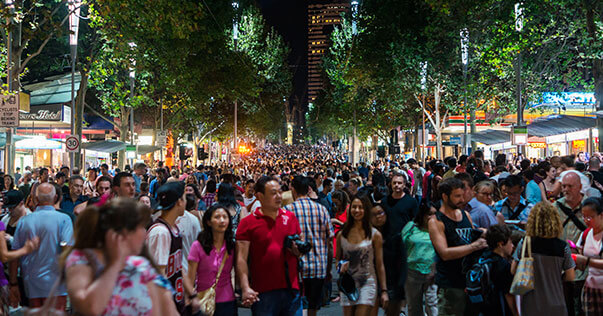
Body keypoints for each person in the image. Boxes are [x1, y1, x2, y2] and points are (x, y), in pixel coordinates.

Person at [62, 198, 178, 315]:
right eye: (138, 227)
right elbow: (90, 307)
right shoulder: (82, 259)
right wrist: (116, 262)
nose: (144, 232)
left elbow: (168, 308)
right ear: (119, 234)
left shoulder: (139, 264)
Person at [235, 176, 303, 316]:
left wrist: (298, 250)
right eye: (273, 193)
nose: (278, 196)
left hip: (291, 288)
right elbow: (241, 258)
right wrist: (245, 287)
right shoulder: (248, 223)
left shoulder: (290, 218)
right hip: (263, 292)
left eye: (279, 192)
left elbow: (299, 249)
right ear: (260, 196)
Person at [428, 177, 487, 316]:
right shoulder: (436, 221)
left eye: (462, 195)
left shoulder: (465, 215)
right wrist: (474, 246)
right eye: (457, 196)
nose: (462, 200)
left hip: (470, 282)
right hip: (450, 284)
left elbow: (473, 237)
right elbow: (445, 253)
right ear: (445, 196)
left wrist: (482, 235)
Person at [9, 183, 74, 309]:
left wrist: (13, 283)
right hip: (57, 284)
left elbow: (15, 254)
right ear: (55, 198)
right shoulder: (64, 219)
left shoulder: (24, 221)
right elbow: (68, 251)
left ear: (36, 199)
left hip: (31, 282)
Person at [511, 202, 576, 315]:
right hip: (556, 302)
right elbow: (570, 277)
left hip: (531, 303)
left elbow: (513, 270)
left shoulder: (525, 243)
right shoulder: (563, 247)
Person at [285, 176, 334, 316]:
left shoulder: (287, 210)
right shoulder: (322, 210)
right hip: (318, 266)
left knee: (296, 305)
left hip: (296, 269)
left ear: (293, 189)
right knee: (313, 307)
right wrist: (328, 268)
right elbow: (329, 242)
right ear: (308, 189)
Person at [336, 194, 388, 316]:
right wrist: (340, 266)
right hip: (348, 284)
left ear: (366, 210)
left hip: (367, 282)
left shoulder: (374, 235)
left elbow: (380, 265)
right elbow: (338, 259)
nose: (357, 210)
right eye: (354, 207)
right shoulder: (342, 235)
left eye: (361, 207)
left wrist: (384, 290)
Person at [146, 181, 188, 313]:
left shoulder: (173, 227)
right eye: (185, 197)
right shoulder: (161, 233)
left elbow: (177, 268)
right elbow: (158, 277)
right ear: (179, 202)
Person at [187, 204, 237, 316]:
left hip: (227, 300)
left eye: (225, 217)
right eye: (217, 217)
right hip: (203, 300)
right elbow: (190, 277)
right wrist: (191, 297)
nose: (222, 220)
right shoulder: (198, 246)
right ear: (209, 222)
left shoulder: (231, 246)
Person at [379, 171, 418, 315]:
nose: (396, 185)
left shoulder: (411, 202)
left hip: (406, 245)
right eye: (394, 183)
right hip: (388, 245)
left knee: (404, 277)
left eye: (399, 183)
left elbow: (416, 222)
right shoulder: (384, 202)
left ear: (404, 185)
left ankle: (401, 308)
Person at [0, 192, 38, 309]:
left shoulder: (31, 220)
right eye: (8, 208)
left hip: (24, 271)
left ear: (21, 204)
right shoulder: (5, 220)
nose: (10, 211)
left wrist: (11, 240)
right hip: (7, 271)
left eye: (12, 208)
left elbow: (33, 246)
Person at [402, 200, 437, 316]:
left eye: (434, 213)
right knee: (414, 307)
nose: (432, 217)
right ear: (422, 215)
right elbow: (401, 246)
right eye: (429, 214)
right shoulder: (411, 227)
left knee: (433, 306)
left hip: (433, 274)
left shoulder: (439, 229)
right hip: (412, 272)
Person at [474, 224, 517, 316]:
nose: (512, 246)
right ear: (501, 244)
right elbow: (508, 295)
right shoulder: (503, 265)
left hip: (483, 309)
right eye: (510, 242)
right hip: (499, 309)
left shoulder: (482, 257)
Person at [574, 197, 603, 315]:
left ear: (601, 215)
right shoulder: (586, 234)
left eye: (590, 217)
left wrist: (586, 261)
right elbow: (582, 265)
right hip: (590, 288)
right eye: (583, 216)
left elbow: (586, 261)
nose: (586, 220)